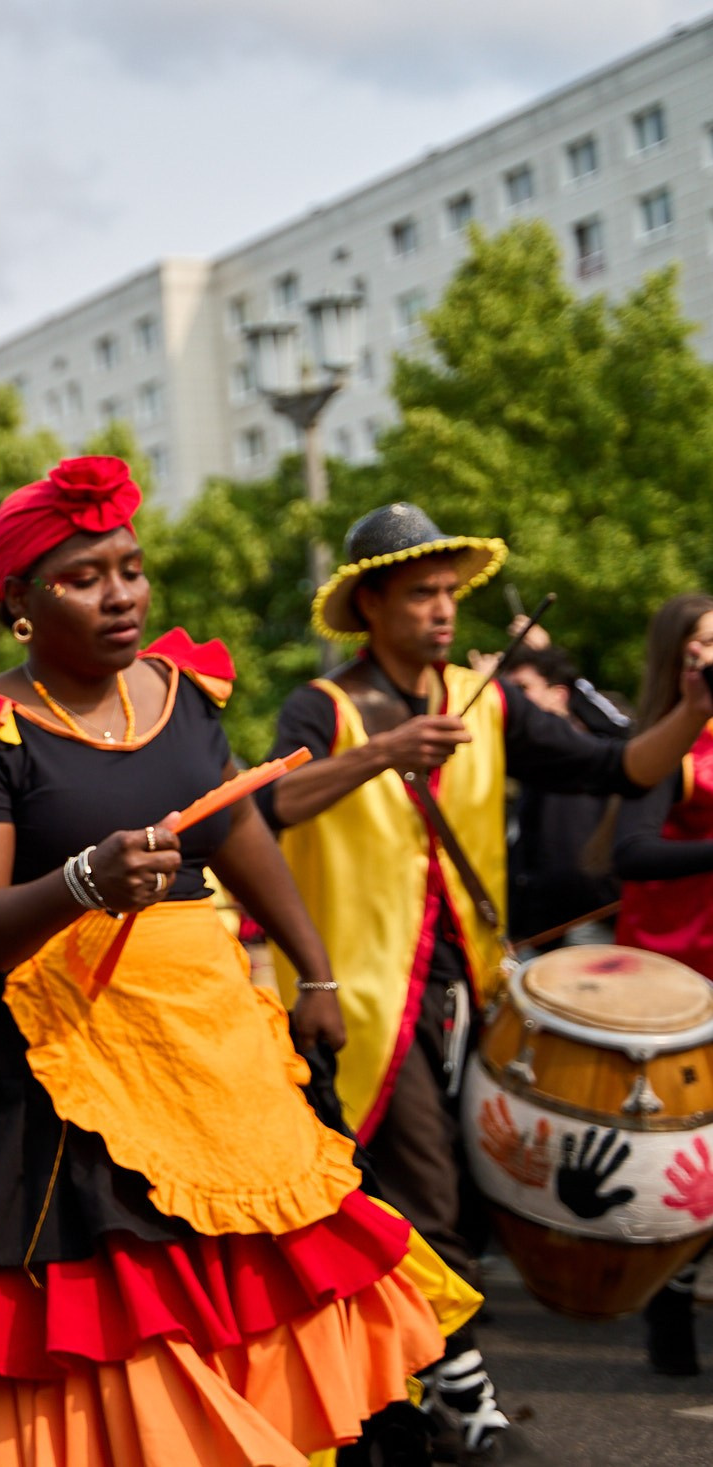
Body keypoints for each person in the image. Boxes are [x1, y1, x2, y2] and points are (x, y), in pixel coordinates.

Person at [0, 456, 446, 1466]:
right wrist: (80, 884)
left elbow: (236, 827)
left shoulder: (183, 693)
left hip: (208, 1045)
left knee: (252, 1281)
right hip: (50, 1075)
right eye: (83, 577)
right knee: (115, 1323)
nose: (121, 596)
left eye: (130, 569)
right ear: (18, 602)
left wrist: (314, 970)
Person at [259, 504, 713, 1450]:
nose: (441, 610)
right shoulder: (324, 707)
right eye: (419, 593)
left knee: (454, 1198)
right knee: (424, 1194)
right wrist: (383, 754)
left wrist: (693, 713)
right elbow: (263, 808)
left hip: (472, 994)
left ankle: (392, 1400)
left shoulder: (490, 696)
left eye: (448, 593)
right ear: (371, 601)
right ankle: (472, 1413)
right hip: (365, 1000)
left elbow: (620, 769)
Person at [612, 591, 713, 1377]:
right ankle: (669, 1300)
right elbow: (633, 853)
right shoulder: (664, 747)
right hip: (678, 979)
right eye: (699, 648)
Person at [488, 641, 630, 948]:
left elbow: (570, 868)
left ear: (559, 695)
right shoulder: (525, 758)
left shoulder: (585, 755)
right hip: (538, 930)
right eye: (508, 692)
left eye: (523, 689)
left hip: (585, 927)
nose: (514, 701)